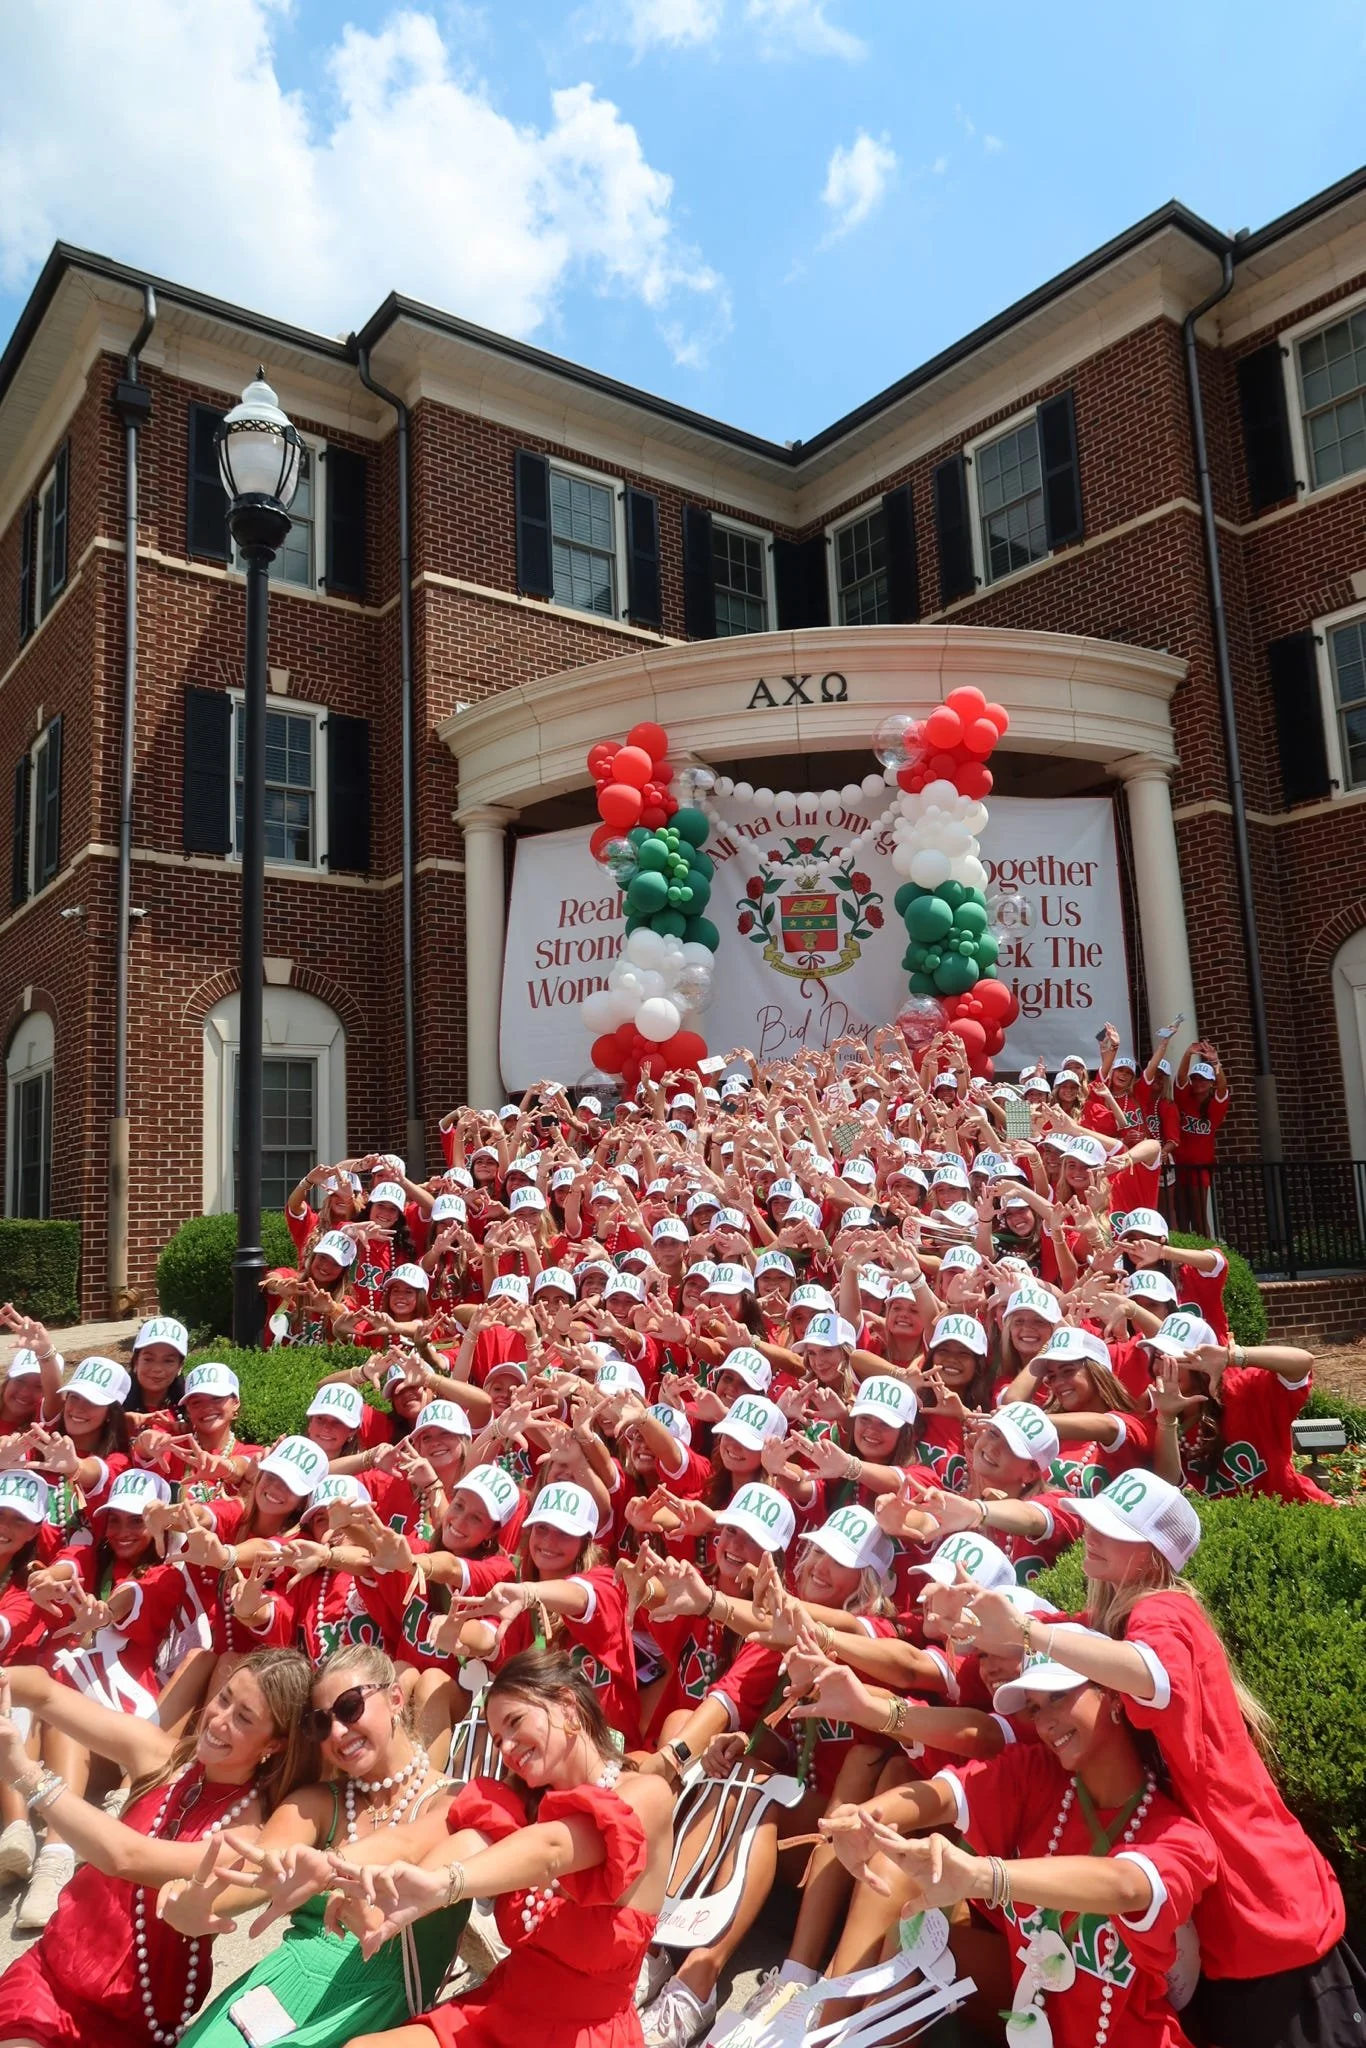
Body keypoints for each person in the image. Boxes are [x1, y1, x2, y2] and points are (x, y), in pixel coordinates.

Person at [936, 1469, 1364, 2047]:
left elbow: (1149, 1674)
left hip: (1266, 1911)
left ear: (1155, 1556)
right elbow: (1075, 1640)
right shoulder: (1116, 1625)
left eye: (1116, 1530)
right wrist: (990, 1622)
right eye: (1095, 1519)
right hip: (1235, 1916)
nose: (1091, 1531)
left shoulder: (1164, 1610)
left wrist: (1027, 1632)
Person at [217, 1647, 675, 2048]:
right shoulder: (514, 1805)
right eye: (498, 1739)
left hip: (587, 2033)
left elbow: (555, 1847)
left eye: (515, 1722)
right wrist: (341, 1870)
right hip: (500, 2011)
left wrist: (444, 1886)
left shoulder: (645, 1797)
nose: (509, 1747)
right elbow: (431, 1842)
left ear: (569, 1707)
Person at [818, 1640, 1218, 2048]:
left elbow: (1126, 1885)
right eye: (1035, 1708)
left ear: (1114, 1695)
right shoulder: (1039, 1776)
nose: (1045, 1723)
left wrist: (986, 1877)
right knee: (919, 1933)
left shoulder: (1180, 1835)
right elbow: (946, 1794)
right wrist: (865, 1821)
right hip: (1028, 2019)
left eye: (1058, 1698)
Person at [158, 1644, 470, 2048]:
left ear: (395, 1698)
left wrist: (329, 1867)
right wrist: (192, 1901)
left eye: (350, 1707)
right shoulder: (317, 1803)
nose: (338, 1732)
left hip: (376, 2009)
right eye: (321, 1724)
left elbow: (412, 1843)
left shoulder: (454, 1800)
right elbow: (256, 1872)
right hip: (283, 1984)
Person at [0, 1647, 313, 2048]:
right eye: (224, 1698)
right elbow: (45, 1693)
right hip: (46, 1982)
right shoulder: (164, 1759)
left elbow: (125, 1857)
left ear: (274, 1745)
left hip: (132, 2023)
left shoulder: (246, 1836)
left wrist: (27, 1776)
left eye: (243, 1718)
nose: (218, 1720)